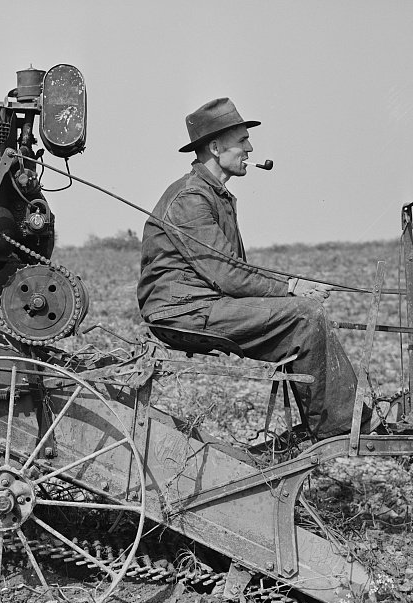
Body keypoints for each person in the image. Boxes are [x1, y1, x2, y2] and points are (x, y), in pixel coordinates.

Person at [138, 97, 373, 441]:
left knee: (303, 316)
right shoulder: (192, 199)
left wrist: (291, 286)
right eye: (242, 141)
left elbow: (231, 270)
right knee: (304, 316)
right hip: (182, 311)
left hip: (200, 304)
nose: (250, 148)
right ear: (216, 148)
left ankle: (333, 422)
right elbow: (228, 273)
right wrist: (291, 287)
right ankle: (343, 428)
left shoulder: (213, 195)